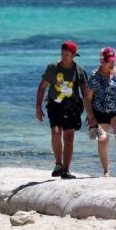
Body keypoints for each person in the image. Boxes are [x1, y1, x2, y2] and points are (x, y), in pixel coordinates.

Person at [36, 40, 88, 179]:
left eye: (67, 54)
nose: (64, 56)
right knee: (56, 132)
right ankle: (58, 164)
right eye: (63, 53)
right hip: (55, 105)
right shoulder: (53, 67)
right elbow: (42, 87)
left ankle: (66, 170)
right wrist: (38, 107)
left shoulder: (79, 70)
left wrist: (91, 113)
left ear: (73, 55)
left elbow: (86, 94)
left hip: (72, 107)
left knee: (69, 137)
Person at [83, 47, 116, 177]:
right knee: (103, 139)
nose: (112, 63)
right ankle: (106, 171)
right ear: (102, 61)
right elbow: (87, 98)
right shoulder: (94, 76)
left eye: (113, 60)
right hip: (100, 112)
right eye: (109, 61)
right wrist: (91, 116)